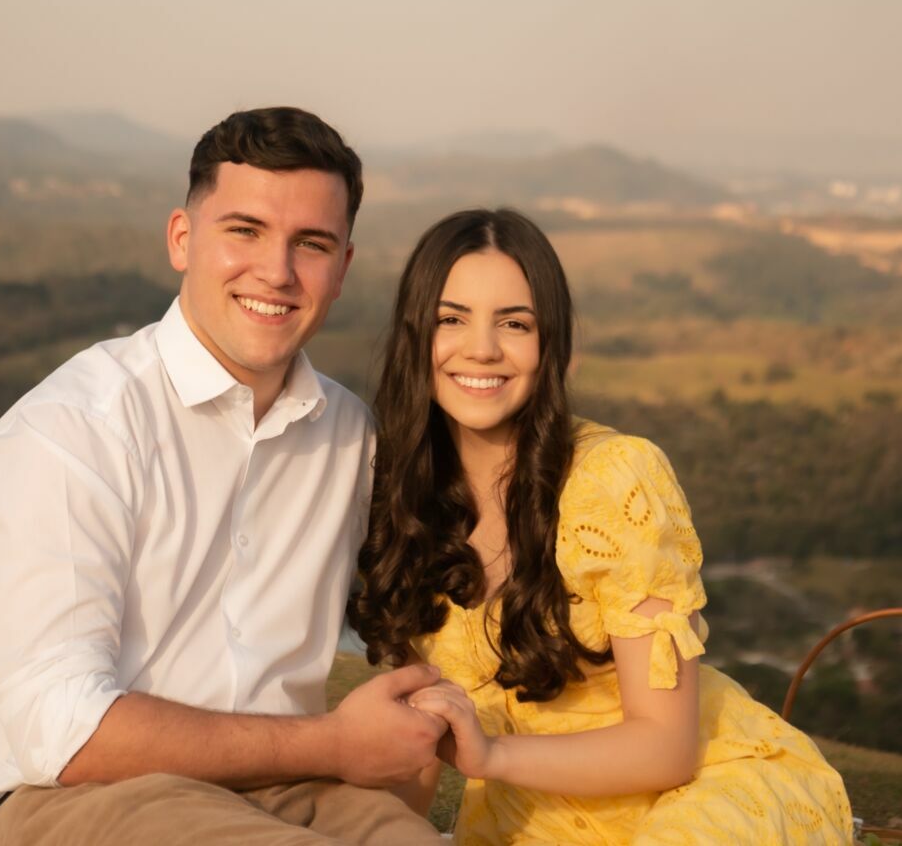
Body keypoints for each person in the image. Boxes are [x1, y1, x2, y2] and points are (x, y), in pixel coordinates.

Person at [0, 107, 448, 846]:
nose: (275, 272)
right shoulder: (72, 428)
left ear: (342, 268)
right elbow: (63, 731)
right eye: (243, 231)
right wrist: (337, 745)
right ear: (182, 239)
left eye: (310, 244)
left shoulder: (351, 439)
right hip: (73, 801)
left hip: (290, 795)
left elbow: (431, 606)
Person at [351, 208, 853, 845]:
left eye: (514, 323)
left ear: (550, 344)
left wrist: (491, 757)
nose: (481, 348)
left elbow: (666, 748)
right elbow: (417, 742)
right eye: (452, 319)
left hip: (704, 798)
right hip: (529, 824)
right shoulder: (396, 494)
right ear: (415, 335)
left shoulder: (616, 479)